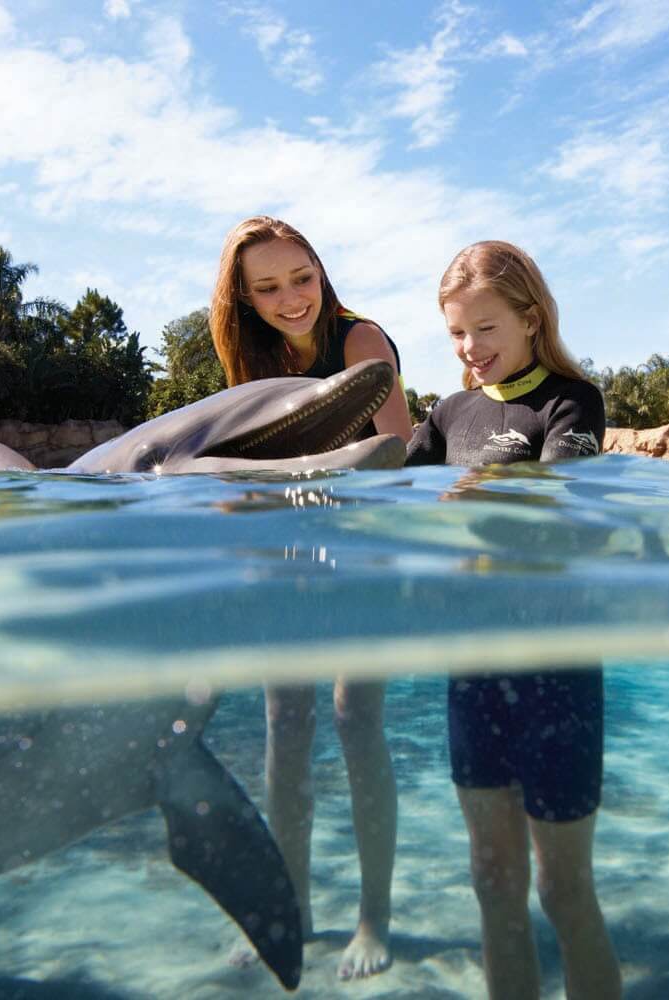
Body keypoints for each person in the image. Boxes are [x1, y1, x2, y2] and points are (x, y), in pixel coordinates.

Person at [405, 240, 621, 1000]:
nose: (471, 350)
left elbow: (563, 494)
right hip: (474, 669)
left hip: (554, 667)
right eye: (457, 334)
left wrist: (486, 496)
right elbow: (387, 494)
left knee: (563, 892)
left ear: (531, 319)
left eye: (486, 329)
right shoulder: (447, 414)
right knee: (494, 886)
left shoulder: (572, 399)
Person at [209, 216, 410, 981]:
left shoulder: (360, 342)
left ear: (321, 271)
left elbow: (388, 461)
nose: (292, 298)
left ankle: (373, 919)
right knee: (283, 732)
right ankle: (287, 912)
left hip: (365, 550)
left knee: (356, 721)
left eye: (303, 277)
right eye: (268, 287)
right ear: (244, 300)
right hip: (290, 558)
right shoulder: (253, 358)